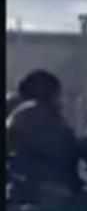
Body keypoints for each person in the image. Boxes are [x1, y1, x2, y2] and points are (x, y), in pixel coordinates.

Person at [6, 69, 81, 200]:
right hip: (44, 190)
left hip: (25, 187)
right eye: (58, 95)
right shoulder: (37, 116)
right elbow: (65, 152)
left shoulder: (20, 115)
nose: (62, 102)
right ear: (51, 94)